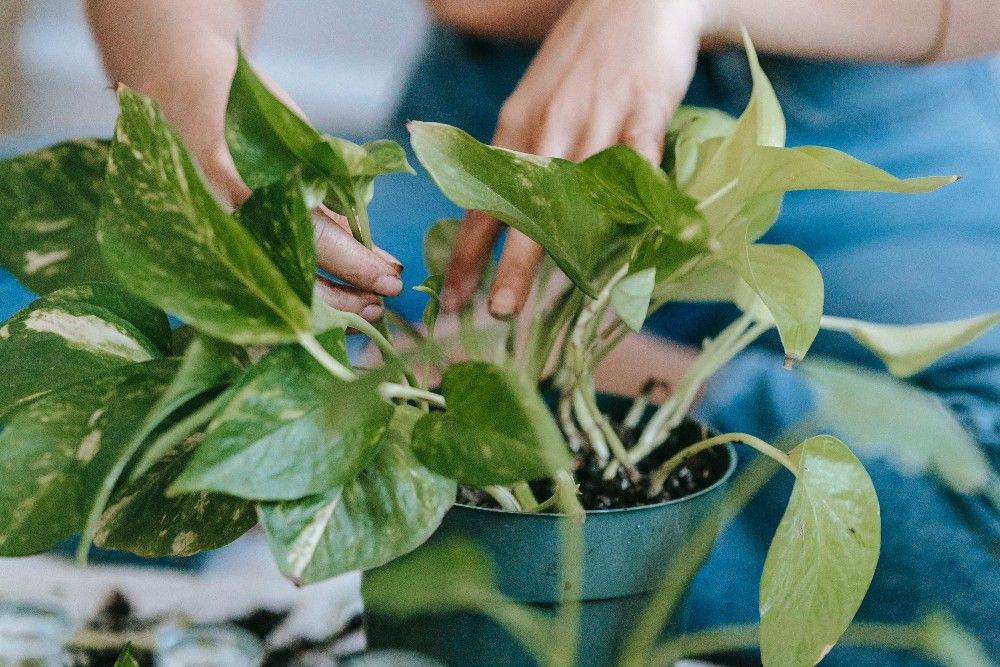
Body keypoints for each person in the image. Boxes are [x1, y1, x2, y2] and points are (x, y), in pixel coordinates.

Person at [84, 1, 1000, 664]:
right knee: (86, 313)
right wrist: (184, 74)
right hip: (506, 141)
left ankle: (466, 384)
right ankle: (514, 398)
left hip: (851, 158)